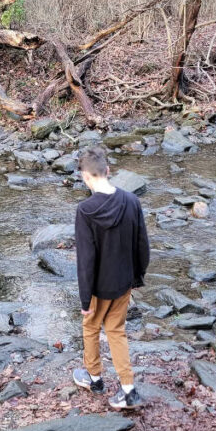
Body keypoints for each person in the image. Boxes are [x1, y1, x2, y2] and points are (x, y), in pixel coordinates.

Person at [71, 146, 150, 409]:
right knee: (116, 331)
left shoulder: (85, 210)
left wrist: (85, 299)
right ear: (108, 170)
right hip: (123, 282)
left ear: (85, 176)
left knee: (91, 328)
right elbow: (142, 245)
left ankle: (94, 379)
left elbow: (86, 260)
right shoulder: (131, 201)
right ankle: (128, 389)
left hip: (98, 287)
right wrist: (137, 277)